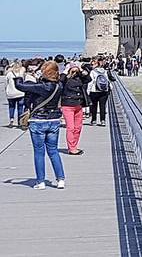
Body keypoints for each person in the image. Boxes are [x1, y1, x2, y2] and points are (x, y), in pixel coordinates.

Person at [16, 60, 66, 189]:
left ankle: (40, 181)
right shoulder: (59, 86)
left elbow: (20, 86)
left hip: (38, 121)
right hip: (54, 120)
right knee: (53, 151)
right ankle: (60, 179)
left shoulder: (42, 87)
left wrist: (20, 73)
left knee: (39, 152)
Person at [59, 63, 90, 155]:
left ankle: (74, 146)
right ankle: (71, 148)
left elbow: (88, 79)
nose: (74, 72)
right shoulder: (65, 78)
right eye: (73, 70)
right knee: (71, 127)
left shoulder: (80, 78)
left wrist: (81, 71)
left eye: (76, 70)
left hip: (78, 105)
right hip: (68, 105)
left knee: (78, 128)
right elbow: (60, 81)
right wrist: (66, 70)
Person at [87, 60, 111, 126]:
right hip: (104, 91)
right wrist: (110, 88)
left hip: (94, 91)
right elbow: (107, 80)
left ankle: (94, 120)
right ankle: (103, 121)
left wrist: (88, 91)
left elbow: (90, 82)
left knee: (94, 106)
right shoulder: (104, 71)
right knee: (102, 106)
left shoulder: (93, 72)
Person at [5, 61, 25, 127]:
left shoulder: (9, 74)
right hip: (20, 93)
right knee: (20, 108)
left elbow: (6, 84)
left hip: (11, 93)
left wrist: (6, 91)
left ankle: (11, 120)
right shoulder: (21, 73)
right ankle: (20, 122)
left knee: (11, 107)